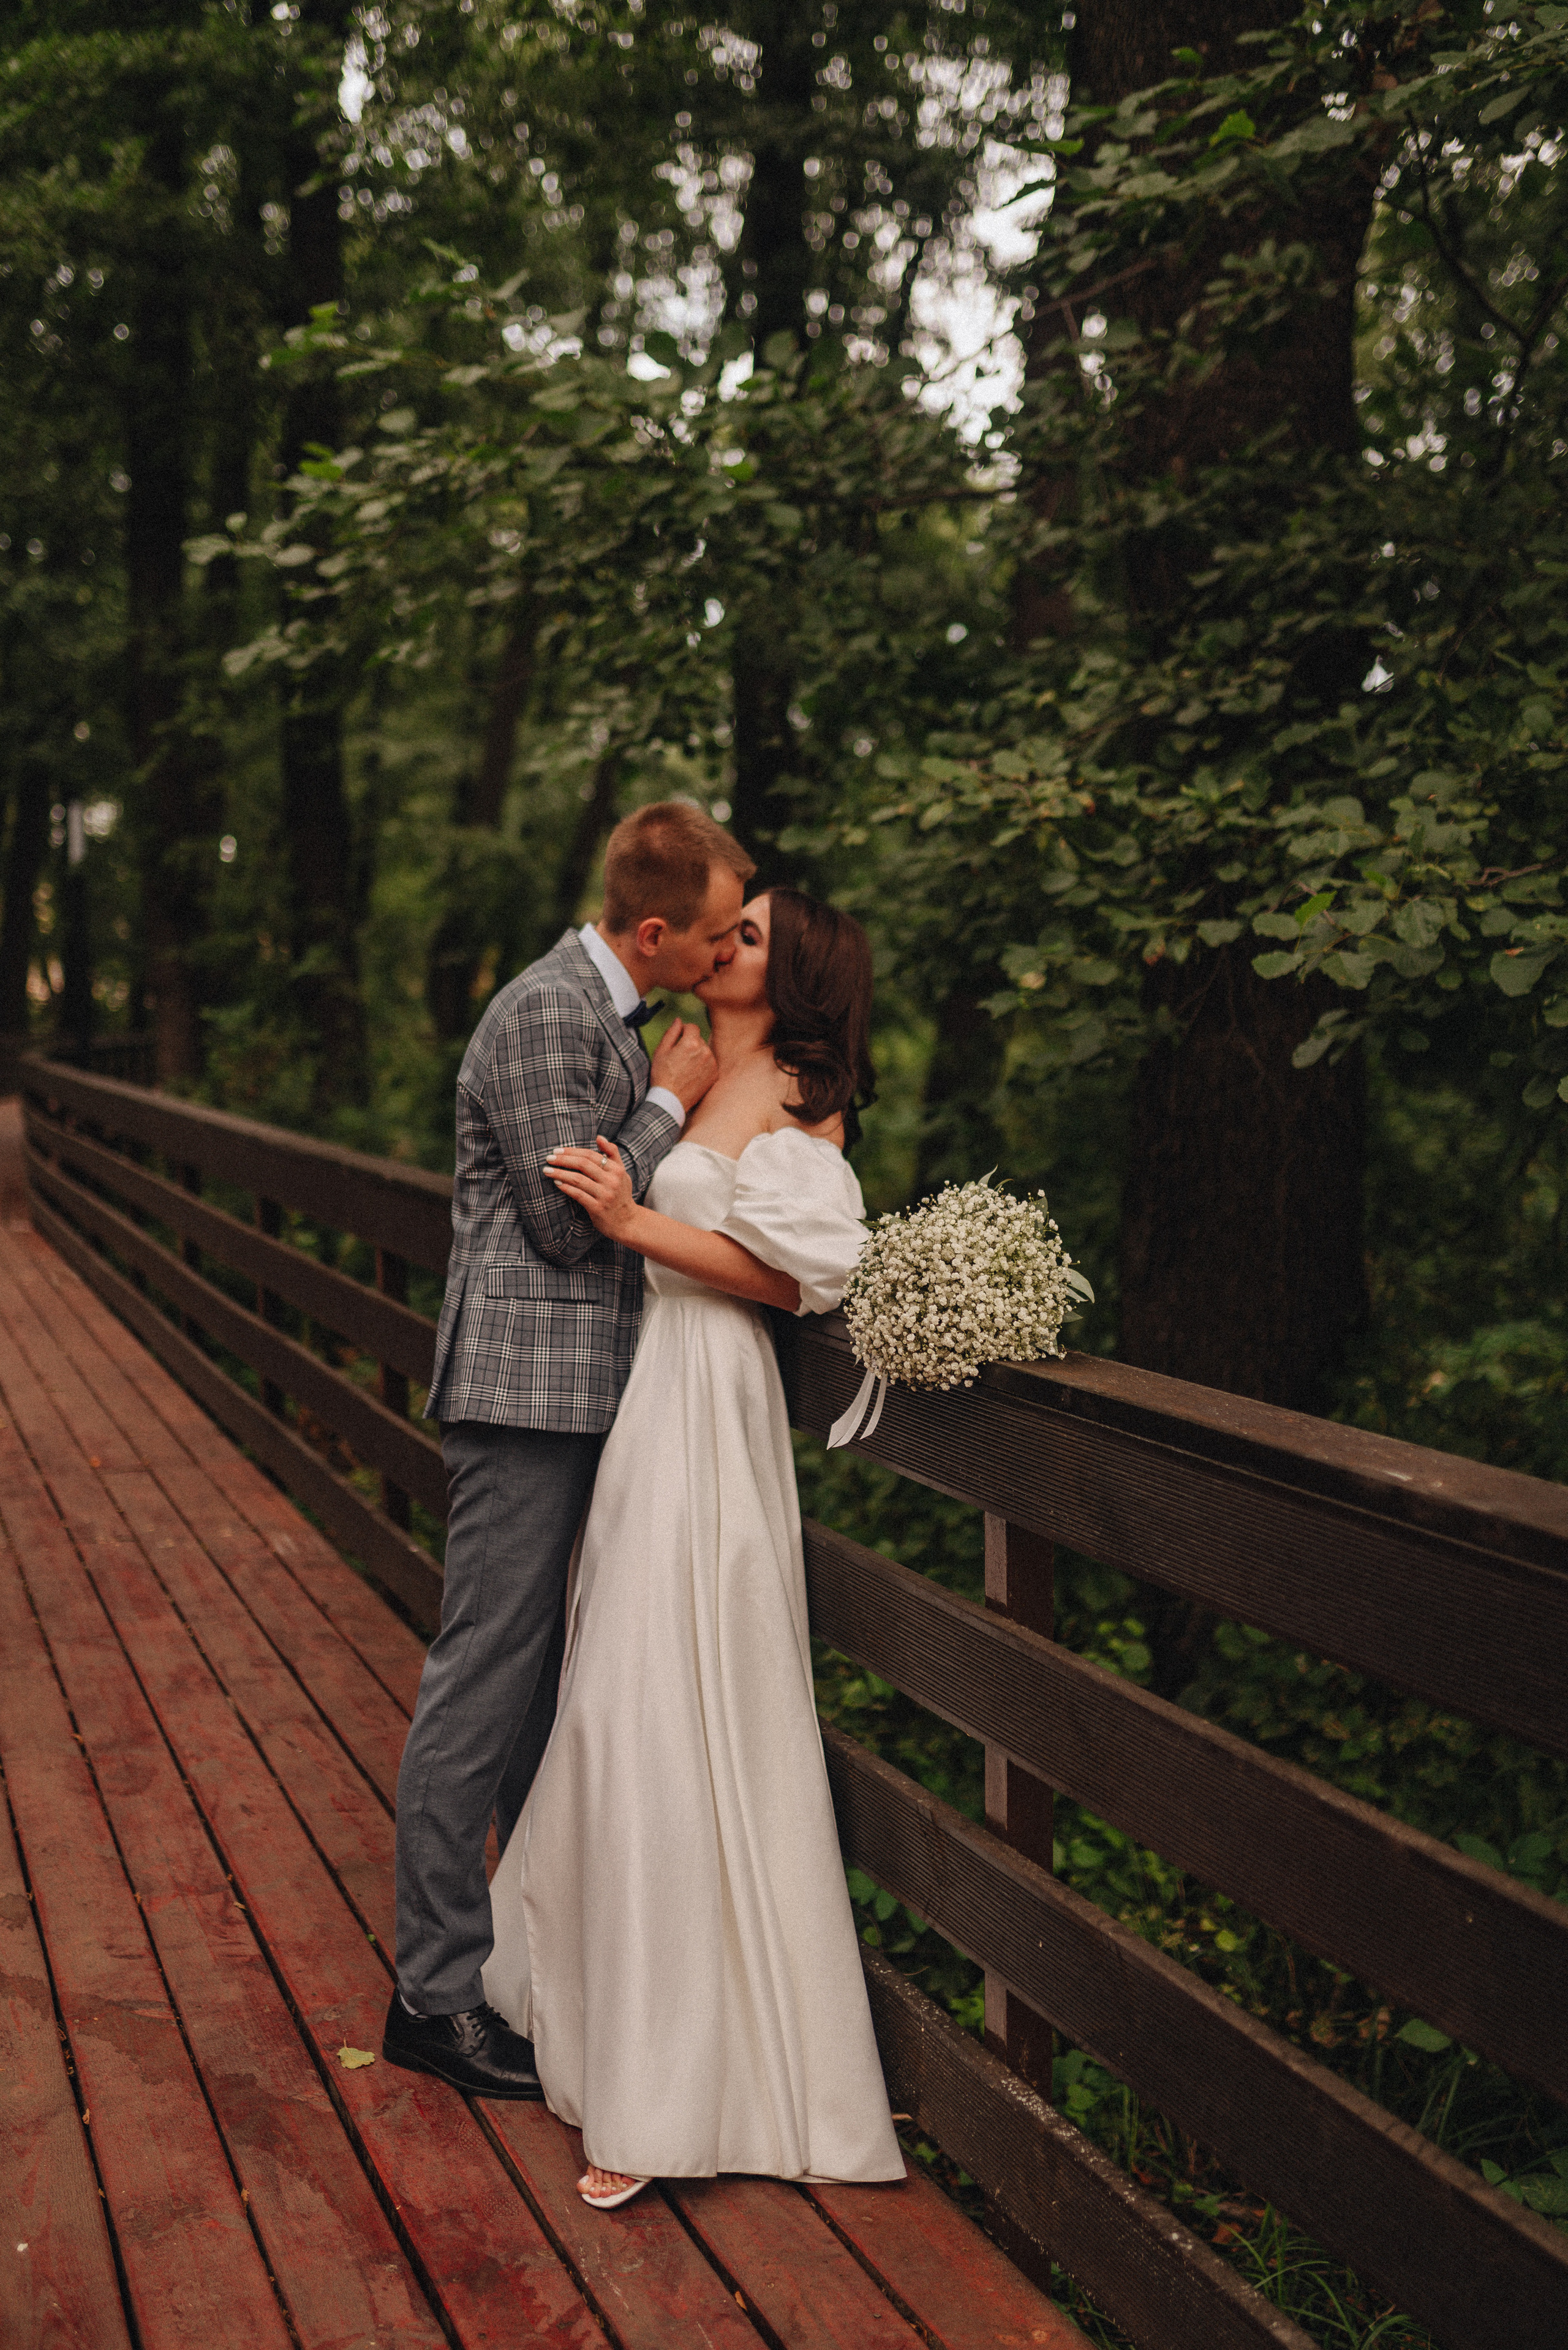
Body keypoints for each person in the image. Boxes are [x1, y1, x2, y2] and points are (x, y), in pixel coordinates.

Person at [483, 887, 905, 2205]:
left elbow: (790, 1281)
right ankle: (597, 2012)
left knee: (676, 1706)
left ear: (797, 975)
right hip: (641, 1392)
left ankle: (661, 2098)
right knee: (611, 1702)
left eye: (752, 935)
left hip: (713, 1397)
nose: (723, 942)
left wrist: (631, 1222)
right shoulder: (685, 1055)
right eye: (727, 925)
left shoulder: (799, 1084)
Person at [385, 802, 754, 2098]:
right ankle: (429, 1995)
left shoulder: (605, 1006)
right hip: (520, 1396)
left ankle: (519, 1970)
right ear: (654, 931)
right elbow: (559, 1223)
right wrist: (668, 1098)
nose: (720, 955)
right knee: (482, 1683)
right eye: (711, 937)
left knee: (543, 1691)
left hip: (582, 1399)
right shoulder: (552, 1010)